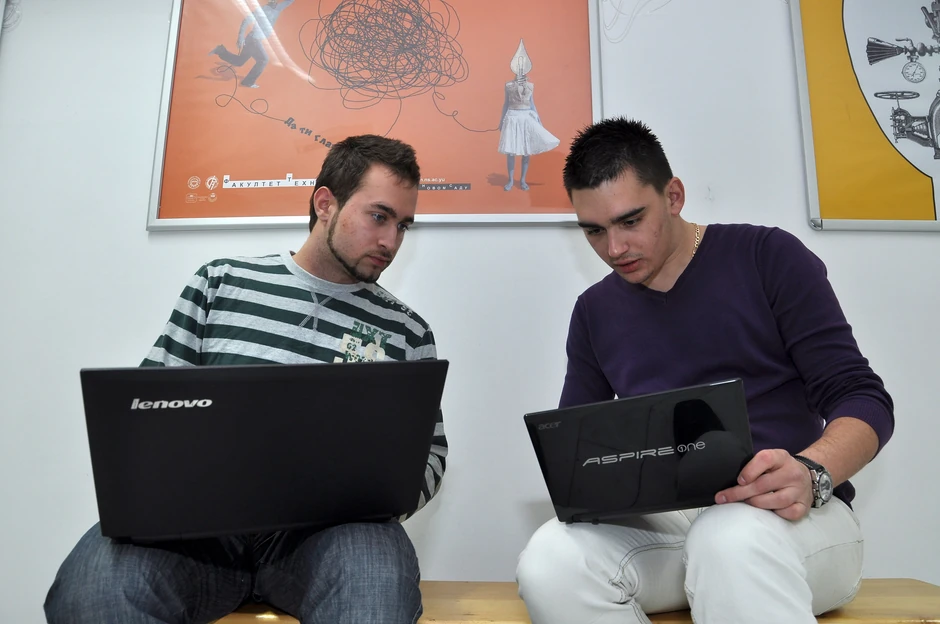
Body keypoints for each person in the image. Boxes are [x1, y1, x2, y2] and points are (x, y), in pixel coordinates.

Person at [44, 134, 447, 624]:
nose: (391, 242)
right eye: (379, 216)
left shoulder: (407, 332)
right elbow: (147, 416)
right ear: (325, 204)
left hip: (330, 540)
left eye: (403, 226)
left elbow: (430, 456)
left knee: (374, 581)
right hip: (198, 536)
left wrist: (371, 499)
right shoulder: (221, 283)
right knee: (96, 585)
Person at [514, 117, 895, 624]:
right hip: (674, 526)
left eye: (630, 221)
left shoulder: (768, 257)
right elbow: (580, 453)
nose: (614, 248)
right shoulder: (593, 311)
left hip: (793, 518)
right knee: (550, 561)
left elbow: (864, 398)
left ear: (673, 196)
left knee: (728, 538)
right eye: (594, 231)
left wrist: (812, 471)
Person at [497, 39, 560, 191]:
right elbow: (505, 103)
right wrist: (501, 121)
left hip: (527, 117)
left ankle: (523, 180)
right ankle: (510, 180)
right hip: (512, 117)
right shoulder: (508, 85)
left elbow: (532, 104)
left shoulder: (530, 86)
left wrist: (539, 120)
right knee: (511, 151)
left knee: (527, 151)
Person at [210, 0, 295, 88]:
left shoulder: (278, 8)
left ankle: (220, 50)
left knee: (239, 62)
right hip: (253, 40)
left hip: (253, 39)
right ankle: (248, 82)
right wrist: (240, 37)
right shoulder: (261, 10)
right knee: (263, 60)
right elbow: (246, 21)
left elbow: (288, 2)